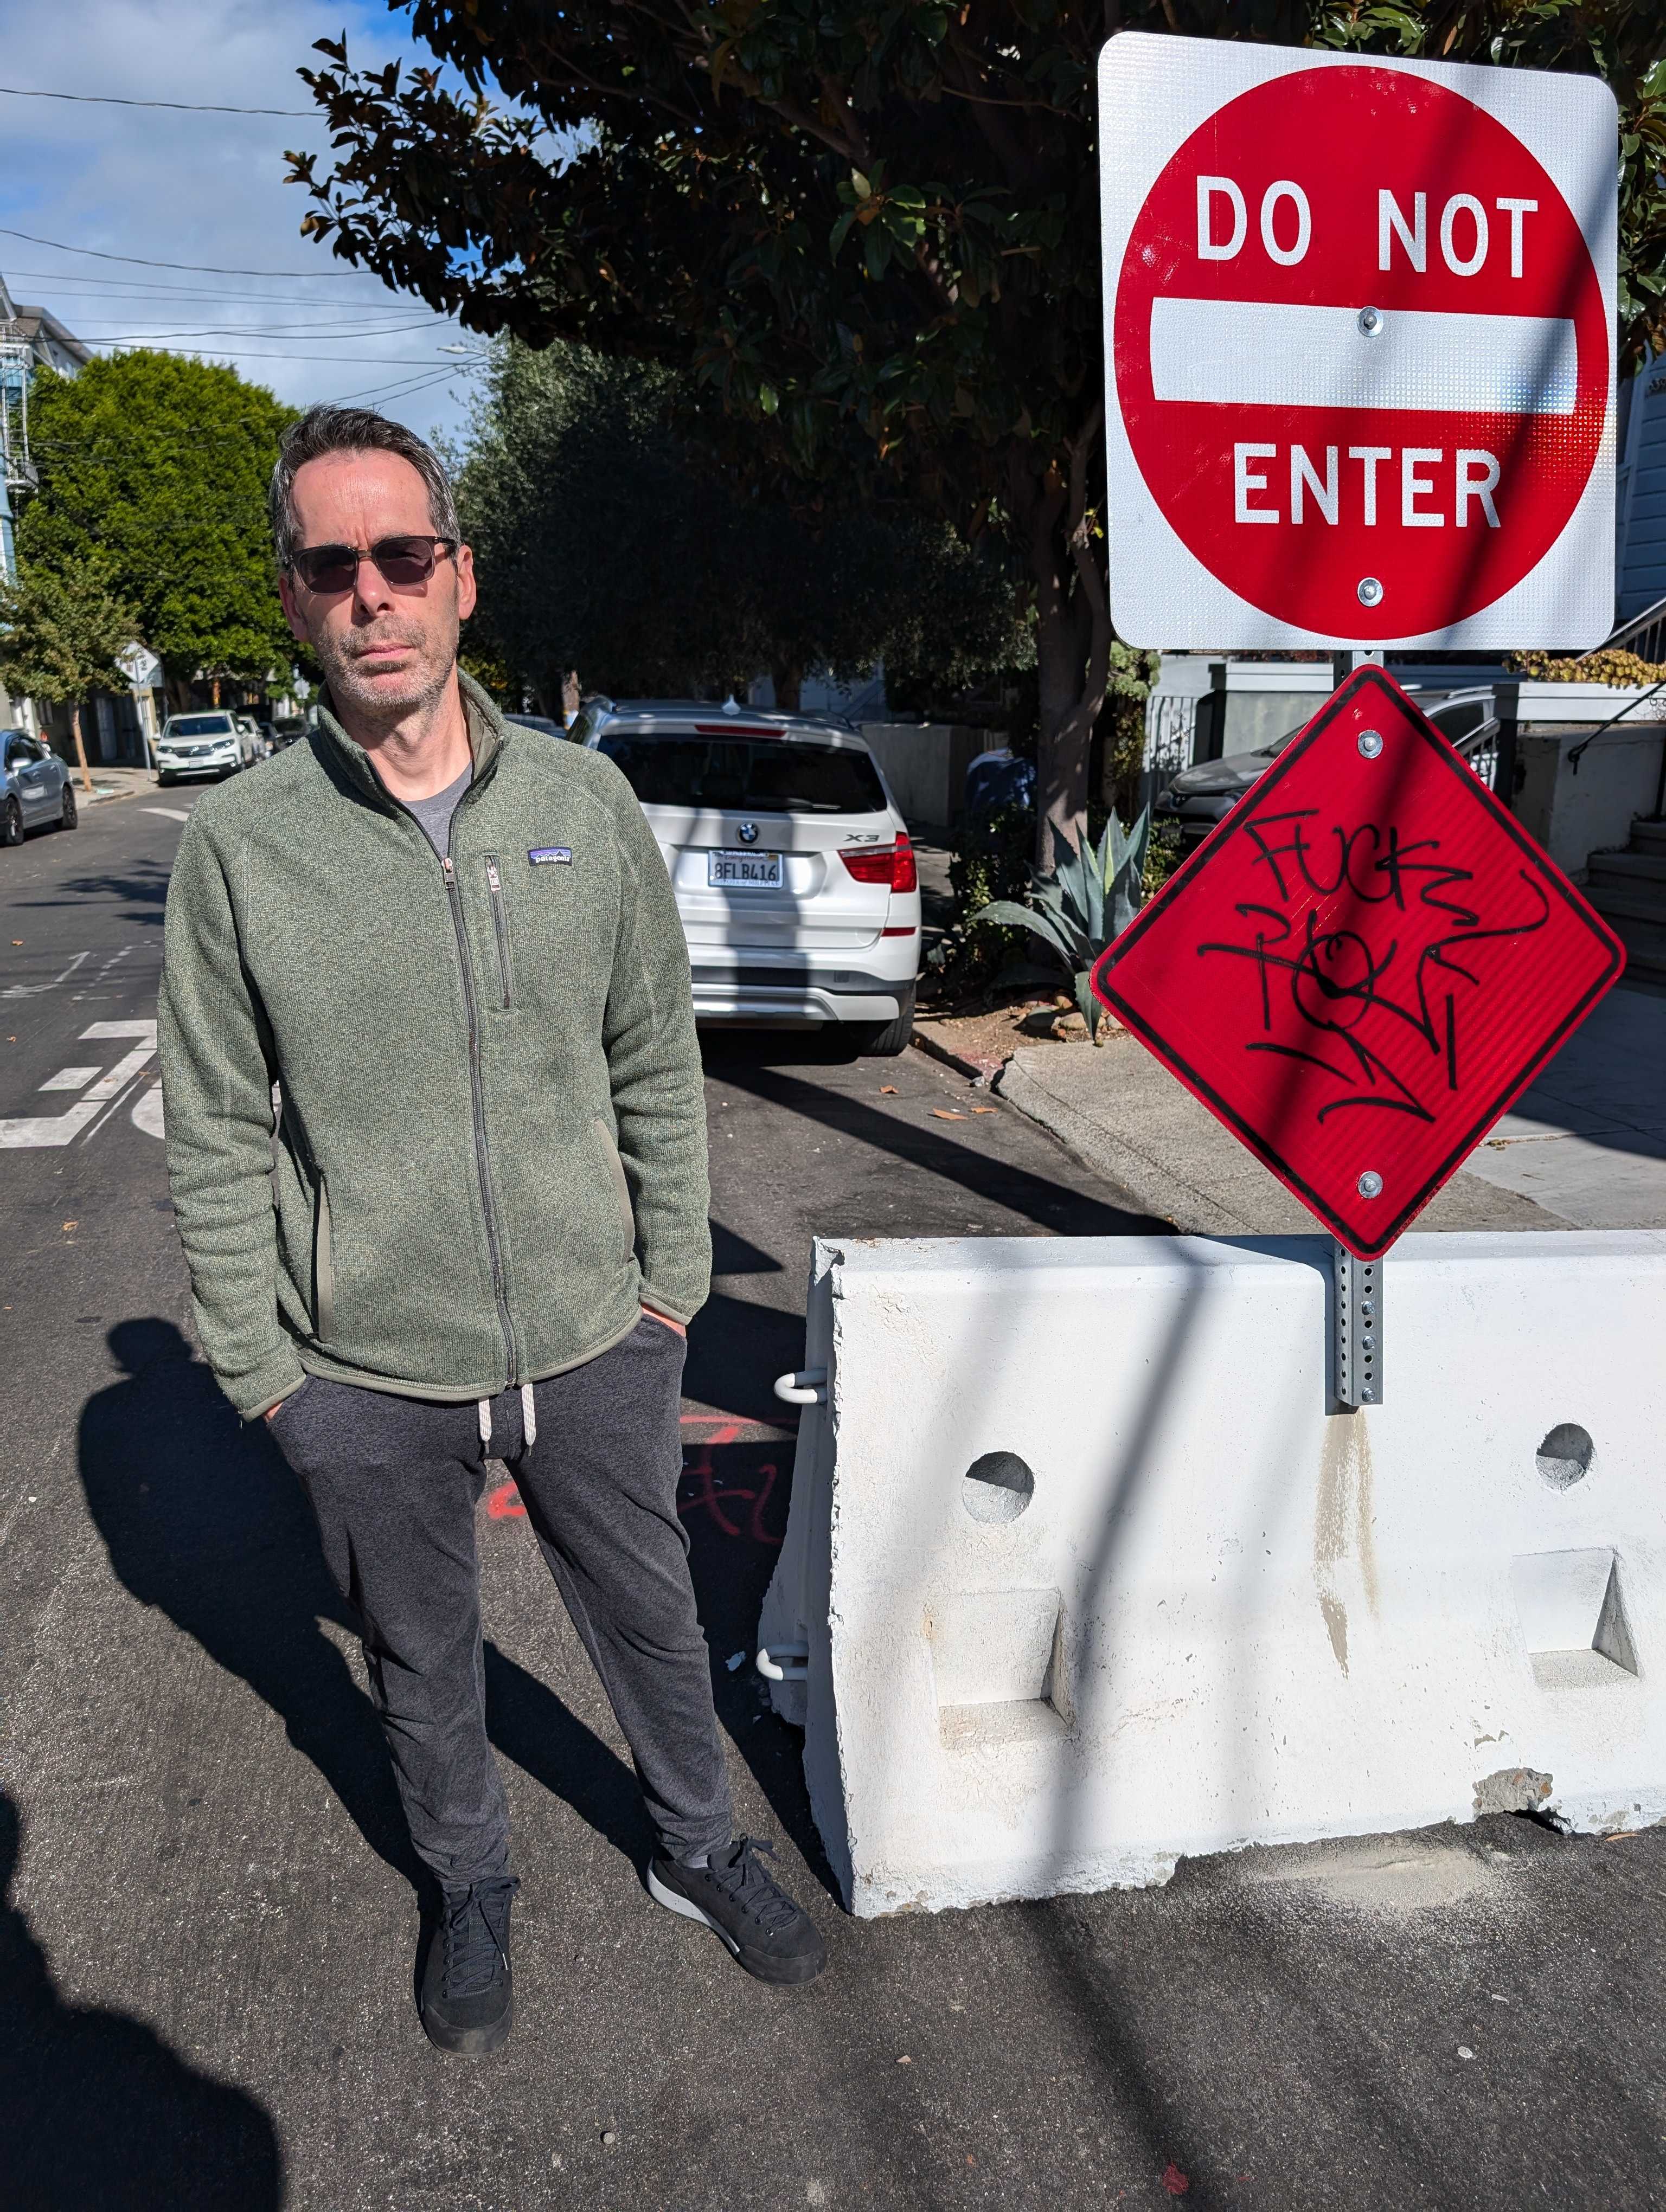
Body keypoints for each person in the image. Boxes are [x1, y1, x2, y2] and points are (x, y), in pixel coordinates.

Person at [158, 405, 825, 2058]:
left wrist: (671, 1288)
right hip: (366, 1370)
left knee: (657, 1622)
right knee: (418, 1657)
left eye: (404, 557)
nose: (372, 596)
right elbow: (219, 1133)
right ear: (296, 599)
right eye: (333, 566)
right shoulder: (243, 850)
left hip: (600, 1337)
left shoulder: (588, 804)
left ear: (460, 579)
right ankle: (469, 1884)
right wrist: (266, 1379)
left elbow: (655, 1069)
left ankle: (698, 1845)